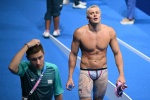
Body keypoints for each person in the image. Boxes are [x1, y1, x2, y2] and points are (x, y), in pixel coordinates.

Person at [66, 5, 126, 100]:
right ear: (87, 17)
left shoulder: (109, 32)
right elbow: (73, 54)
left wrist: (121, 74)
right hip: (86, 72)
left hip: (102, 72)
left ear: (100, 15)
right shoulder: (79, 33)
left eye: (97, 13)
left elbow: (117, 53)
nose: (95, 15)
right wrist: (70, 77)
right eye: (92, 13)